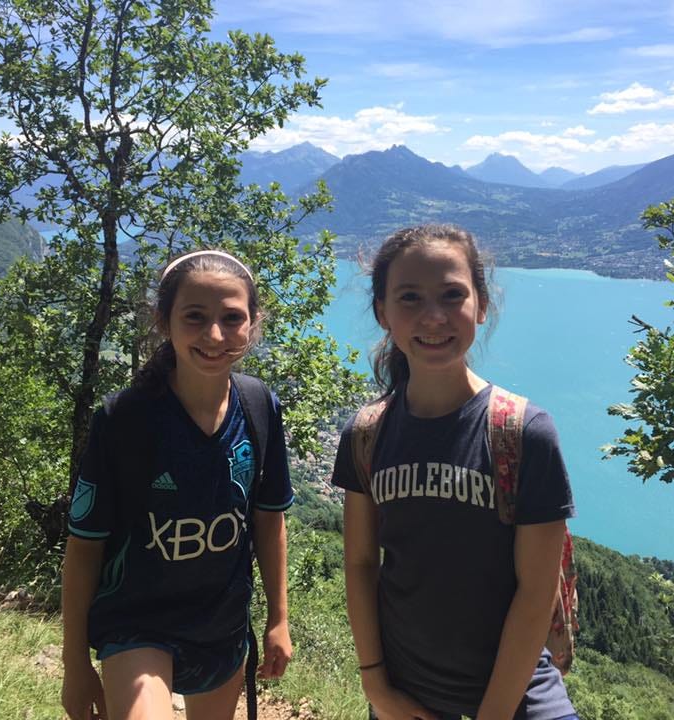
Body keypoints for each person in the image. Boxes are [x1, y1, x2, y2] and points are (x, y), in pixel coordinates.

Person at [332, 225, 579, 720]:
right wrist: (377, 688)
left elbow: (536, 593)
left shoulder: (524, 433)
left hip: (519, 696)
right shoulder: (366, 435)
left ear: (481, 306)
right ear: (382, 312)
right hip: (406, 695)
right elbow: (361, 564)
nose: (434, 316)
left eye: (452, 295)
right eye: (410, 298)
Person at [61, 249, 294, 720]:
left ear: (253, 323)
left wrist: (279, 619)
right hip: (136, 622)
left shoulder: (258, 406)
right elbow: (84, 548)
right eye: (195, 317)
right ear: (164, 321)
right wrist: (74, 665)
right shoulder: (125, 420)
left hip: (221, 623)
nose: (215, 335)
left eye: (232, 318)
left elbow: (269, 521)